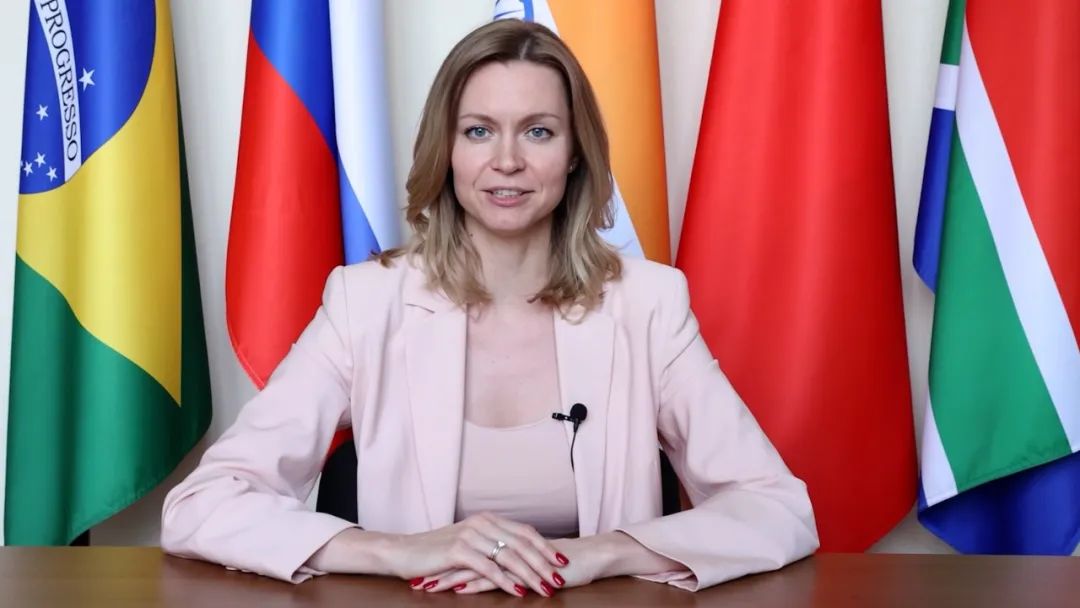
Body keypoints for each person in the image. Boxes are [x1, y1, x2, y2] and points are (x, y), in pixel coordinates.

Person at [161, 19, 818, 596]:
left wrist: (603, 553)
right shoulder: (365, 305)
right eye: (479, 131)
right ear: (446, 151)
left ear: (575, 155)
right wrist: (396, 552)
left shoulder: (648, 304)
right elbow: (202, 505)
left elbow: (778, 509)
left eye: (538, 132)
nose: (507, 161)